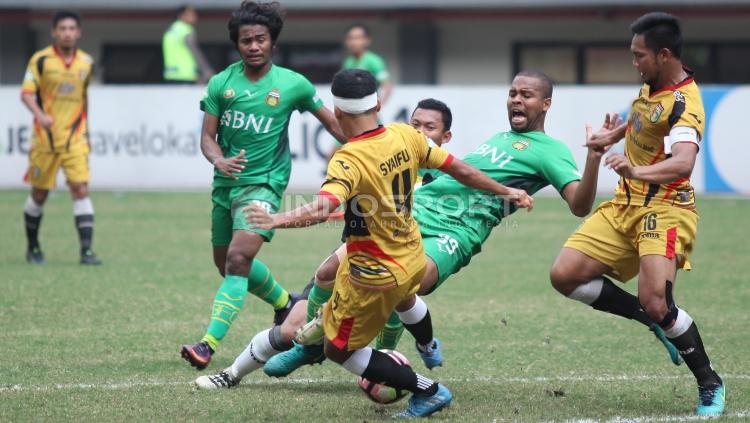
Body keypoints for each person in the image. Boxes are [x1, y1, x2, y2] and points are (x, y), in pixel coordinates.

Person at [263, 71, 680, 378]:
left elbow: (579, 204)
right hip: (409, 216)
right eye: (513, 93)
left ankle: (379, 353)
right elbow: (461, 172)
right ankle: (314, 344)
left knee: (408, 283)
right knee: (328, 270)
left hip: (454, 233)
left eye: (527, 95)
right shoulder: (497, 140)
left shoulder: (550, 150)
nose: (517, 100)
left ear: (546, 104)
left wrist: (591, 158)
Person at [244, 68, 533, 417]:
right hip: (412, 254)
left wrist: (276, 219)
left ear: (337, 112)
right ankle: (342, 332)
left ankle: (429, 390)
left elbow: (324, 207)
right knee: (351, 284)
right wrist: (506, 190)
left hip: (375, 272)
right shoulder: (404, 136)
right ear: (379, 103)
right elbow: (462, 170)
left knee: (339, 351)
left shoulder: (349, 158)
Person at [193, 98, 454, 389]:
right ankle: (245, 369)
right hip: (362, 257)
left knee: (396, 297)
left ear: (446, 138)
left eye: (429, 127)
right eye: (415, 124)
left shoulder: (441, 176)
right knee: (296, 322)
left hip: (394, 260)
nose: (419, 131)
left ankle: (393, 359)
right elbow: (340, 202)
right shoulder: (390, 150)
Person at [549, 12, 724, 416]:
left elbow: (682, 163)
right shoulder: (652, 87)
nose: (634, 62)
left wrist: (635, 170)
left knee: (659, 302)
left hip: (665, 209)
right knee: (565, 275)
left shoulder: (686, 104)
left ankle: (710, 382)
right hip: (626, 205)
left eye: (638, 55)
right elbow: (644, 121)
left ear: (663, 55)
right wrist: (610, 136)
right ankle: (649, 319)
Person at [180, 1, 346, 371]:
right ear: (237, 44)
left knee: (239, 260)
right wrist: (218, 159)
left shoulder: (293, 84)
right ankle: (284, 303)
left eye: (260, 39)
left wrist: (369, 148)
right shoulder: (222, 83)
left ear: (272, 41)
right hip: (225, 186)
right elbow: (207, 138)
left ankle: (207, 345)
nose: (253, 46)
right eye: (246, 41)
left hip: (265, 185)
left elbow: (334, 125)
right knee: (226, 264)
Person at [21, 10, 101, 266]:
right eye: (62, 28)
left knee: (80, 188)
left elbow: (84, 98)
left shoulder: (86, 63)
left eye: (71, 28)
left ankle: (86, 252)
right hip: (45, 139)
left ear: (78, 33)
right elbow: (26, 94)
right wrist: (40, 115)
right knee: (40, 194)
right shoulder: (41, 60)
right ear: (54, 32)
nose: (67, 33)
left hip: (75, 138)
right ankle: (33, 247)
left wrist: (86, 130)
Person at [162, 4, 214, 84]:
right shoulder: (186, 29)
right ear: (181, 16)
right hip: (186, 75)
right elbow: (195, 52)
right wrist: (207, 71)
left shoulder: (171, 30)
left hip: (171, 74)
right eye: (191, 14)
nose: (194, 16)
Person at [342, 23, 392, 105]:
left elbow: (386, 86)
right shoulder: (348, 62)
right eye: (350, 38)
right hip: (353, 110)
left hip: (369, 111)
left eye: (357, 38)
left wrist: (379, 106)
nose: (353, 42)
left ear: (367, 40)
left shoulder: (374, 61)